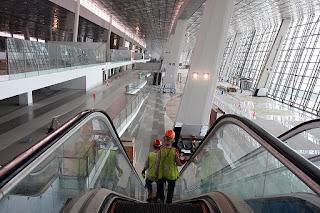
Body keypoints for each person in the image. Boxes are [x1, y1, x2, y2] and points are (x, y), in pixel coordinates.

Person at [154, 130, 188, 203]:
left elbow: (157, 164)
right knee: (170, 190)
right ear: (173, 140)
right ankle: (169, 203)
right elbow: (179, 163)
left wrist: (156, 175)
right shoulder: (175, 151)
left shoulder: (160, 150)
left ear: (164, 138)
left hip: (161, 173)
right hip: (171, 175)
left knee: (161, 189)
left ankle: (161, 200)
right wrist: (185, 160)